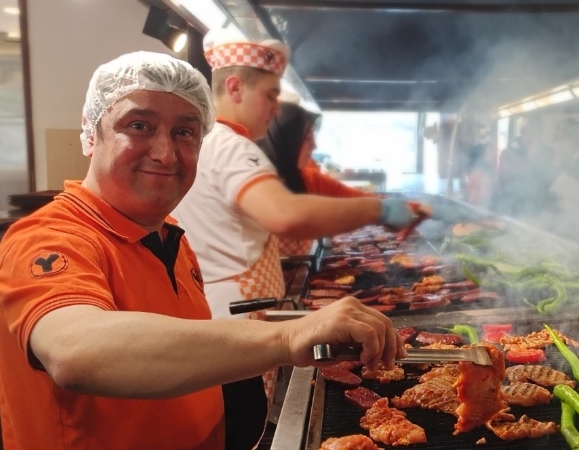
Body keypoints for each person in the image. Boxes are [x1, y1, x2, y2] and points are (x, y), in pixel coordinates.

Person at [0, 51, 405, 450]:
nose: (165, 152)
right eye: (139, 125)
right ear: (91, 134)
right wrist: (288, 335)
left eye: (184, 132)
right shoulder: (48, 237)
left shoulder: (170, 235)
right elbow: (76, 352)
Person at [170, 30, 422, 449]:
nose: (274, 108)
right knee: (239, 430)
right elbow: (285, 215)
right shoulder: (231, 146)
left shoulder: (206, 141)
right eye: (269, 95)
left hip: (218, 316)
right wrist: (380, 211)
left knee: (226, 428)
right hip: (234, 324)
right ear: (234, 87)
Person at [256, 97, 374, 256]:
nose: (315, 146)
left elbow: (356, 198)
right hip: (262, 278)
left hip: (298, 274)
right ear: (287, 141)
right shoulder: (254, 184)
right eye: (307, 138)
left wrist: (406, 208)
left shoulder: (308, 179)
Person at [494, 116, 556, 218]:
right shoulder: (507, 153)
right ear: (522, 132)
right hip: (513, 208)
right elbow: (508, 175)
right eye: (531, 132)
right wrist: (530, 157)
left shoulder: (547, 152)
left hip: (539, 209)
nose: (534, 138)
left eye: (537, 133)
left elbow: (549, 179)